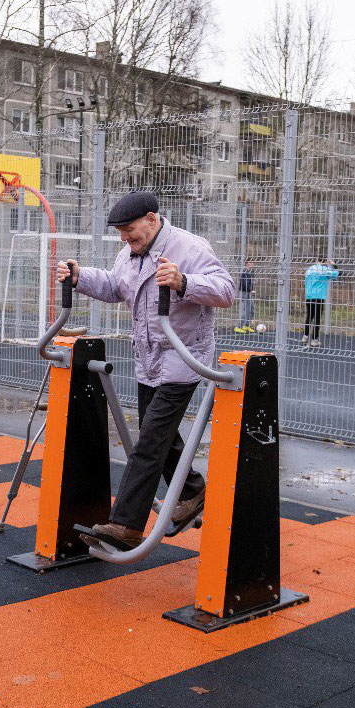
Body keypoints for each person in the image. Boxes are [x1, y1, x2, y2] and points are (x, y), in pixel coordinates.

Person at [56, 191, 236, 550]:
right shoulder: (130, 254)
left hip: (183, 357)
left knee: (150, 443)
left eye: (130, 229)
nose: (125, 237)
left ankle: (125, 525)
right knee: (161, 438)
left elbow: (227, 291)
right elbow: (114, 286)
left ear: (152, 220)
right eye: (121, 232)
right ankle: (194, 490)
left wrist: (185, 282)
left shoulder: (190, 247)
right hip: (149, 360)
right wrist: (80, 277)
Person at [302, 255, 338, 347]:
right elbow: (337, 274)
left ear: (316, 260)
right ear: (325, 261)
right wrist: (334, 265)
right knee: (317, 318)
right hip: (319, 296)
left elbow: (304, 281)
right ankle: (314, 339)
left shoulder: (309, 269)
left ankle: (305, 336)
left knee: (309, 316)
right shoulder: (325, 270)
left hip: (309, 296)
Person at [235, 259, 255, 333]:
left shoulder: (251, 272)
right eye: (251, 262)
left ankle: (246, 325)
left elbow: (250, 283)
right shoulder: (245, 272)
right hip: (244, 292)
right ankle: (238, 326)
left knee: (251, 309)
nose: (252, 264)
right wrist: (251, 290)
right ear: (247, 263)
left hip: (249, 293)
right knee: (244, 309)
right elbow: (245, 283)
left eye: (253, 262)